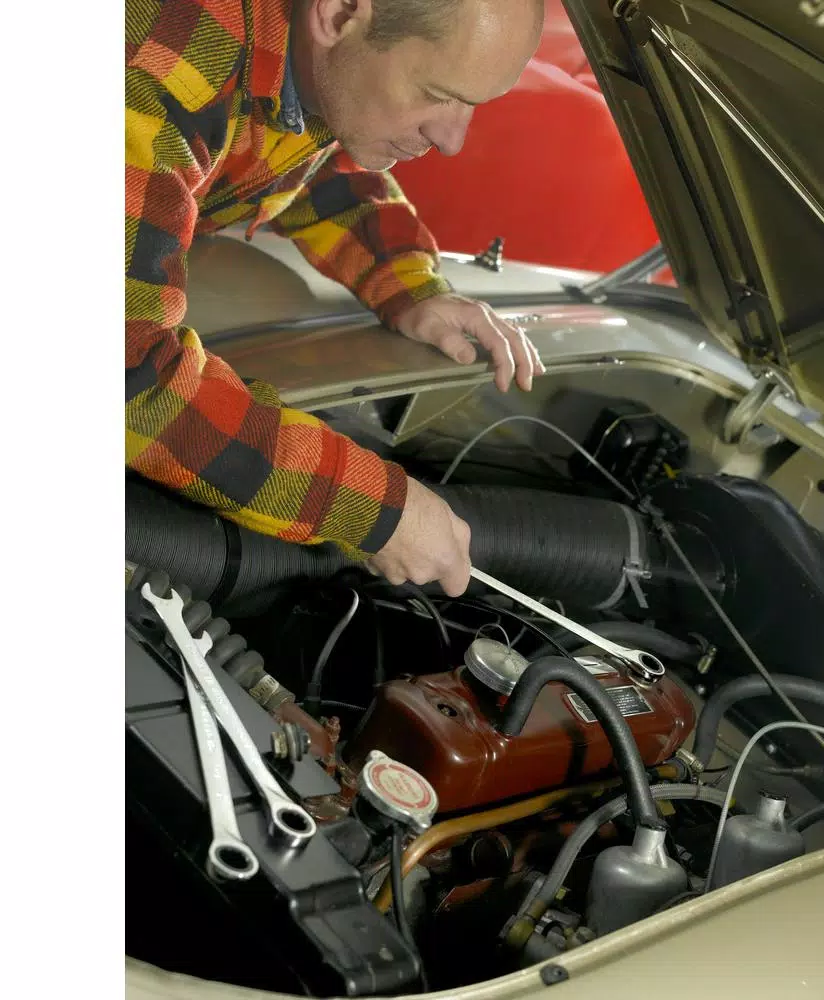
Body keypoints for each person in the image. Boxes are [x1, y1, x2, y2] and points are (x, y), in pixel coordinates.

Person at [125, 0, 545, 598]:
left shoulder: (297, 56)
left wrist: (408, 286)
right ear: (340, 11)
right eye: (437, 94)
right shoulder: (151, 67)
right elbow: (128, 377)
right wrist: (369, 509)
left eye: (472, 103)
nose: (452, 140)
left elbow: (296, 158)